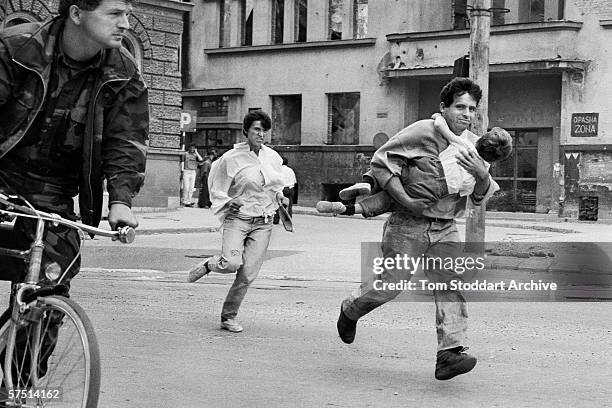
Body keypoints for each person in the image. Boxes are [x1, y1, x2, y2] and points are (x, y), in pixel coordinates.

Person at [0, 0, 148, 373]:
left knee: (51, 285)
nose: (125, 24)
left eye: (127, 14)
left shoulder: (123, 73)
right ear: (78, 14)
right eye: (114, 14)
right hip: (2, 175)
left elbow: (126, 142)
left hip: (53, 193)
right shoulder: (17, 49)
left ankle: (17, 384)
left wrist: (122, 200)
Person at [334, 77, 498, 381]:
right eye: (460, 106)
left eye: (472, 109)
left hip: (445, 227)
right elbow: (383, 164)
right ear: (444, 107)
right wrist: (407, 200)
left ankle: (449, 353)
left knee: (449, 283)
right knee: (390, 286)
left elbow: (479, 195)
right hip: (407, 225)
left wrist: (480, 173)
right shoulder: (424, 131)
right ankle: (351, 309)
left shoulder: (475, 147)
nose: (466, 114)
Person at [186, 110, 288, 333]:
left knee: (248, 273)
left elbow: (277, 186)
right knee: (231, 264)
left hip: (264, 221)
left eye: (264, 131)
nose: (261, 135)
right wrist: (227, 200)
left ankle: (228, 316)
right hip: (238, 219)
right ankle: (209, 264)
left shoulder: (273, 158)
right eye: (257, 130)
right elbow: (216, 186)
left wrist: (281, 196)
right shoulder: (231, 158)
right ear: (246, 132)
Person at [316, 120, 512, 218]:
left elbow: (440, 126)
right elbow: (466, 193)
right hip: (436, 191)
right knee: (390, 202)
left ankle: (367, 183)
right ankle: (347, 209)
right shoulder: (482, 172)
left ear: (482, 140)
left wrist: (438, 118)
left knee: (392, 164)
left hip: (426, 172)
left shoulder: (465, 144)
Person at [273, 156, 297, 224]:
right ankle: (289, 220)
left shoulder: (278, 170)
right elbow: (295, 181)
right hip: (290, 188)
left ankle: (276, 220)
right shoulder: (290, 170)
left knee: (278, 204)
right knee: (289, 205)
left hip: (282, 188)